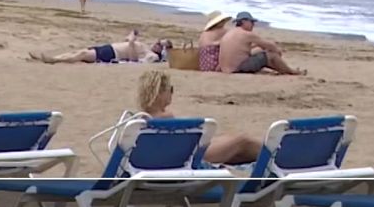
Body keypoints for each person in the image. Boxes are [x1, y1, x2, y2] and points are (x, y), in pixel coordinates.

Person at [134, 69, 262, 165]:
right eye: (170, 89)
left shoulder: (140, 120)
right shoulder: (165, 118)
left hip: (168, 159)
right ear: (160, 93)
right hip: (188, 158)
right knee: (242, 141)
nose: (172, 93)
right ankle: (275, 157)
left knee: (232, 145)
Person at [217, 11, 304, 74]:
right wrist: (277, 51)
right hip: (237, 69)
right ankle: (292, 71)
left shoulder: (231, 32)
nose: (253, 24)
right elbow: (270, 46)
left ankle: (283, 69)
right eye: (252, 22)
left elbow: (241, 49)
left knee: (261, 52)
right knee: (271, 55)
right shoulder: (247, 34)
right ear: (244, 22)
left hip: (226, 69)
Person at [32, 31, 170, 64]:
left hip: (112, 54)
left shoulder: (152, 56)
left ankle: (55, 60)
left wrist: (132, 43)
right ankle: (51, 58)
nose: (155, 43)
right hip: (110, 48)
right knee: (80, 52)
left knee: (82, 54)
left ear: (162, 51)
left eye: (159, 44)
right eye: (158, 41)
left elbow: (134, 60)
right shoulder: (146, 48)